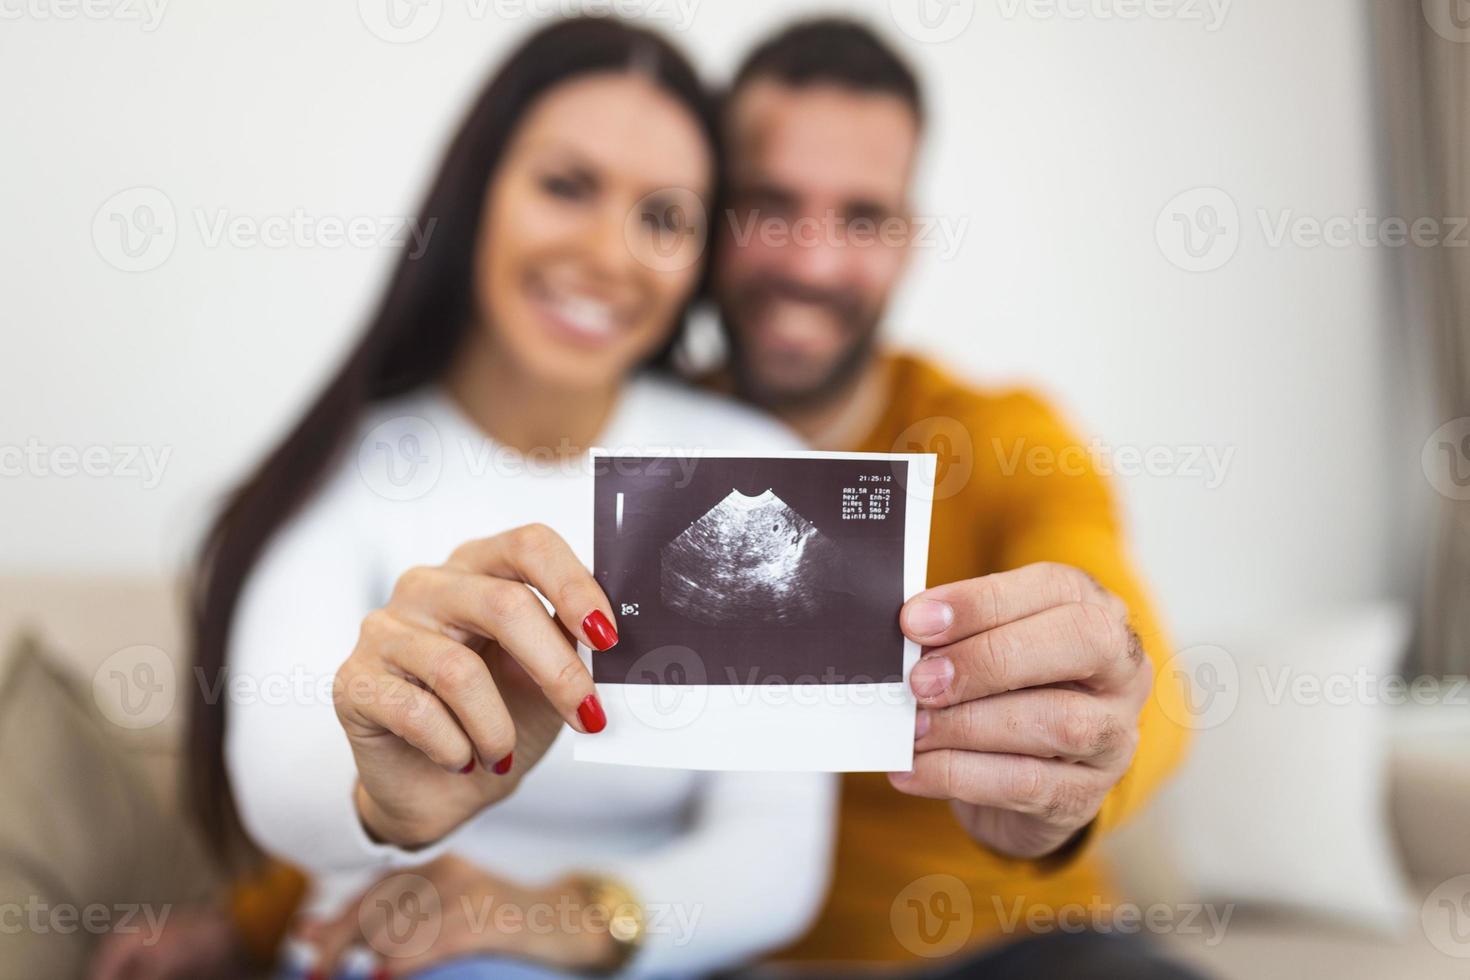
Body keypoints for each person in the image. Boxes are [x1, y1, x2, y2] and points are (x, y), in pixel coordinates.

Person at [178, 17, 834, 980]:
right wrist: (390, 800)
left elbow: (778, 857)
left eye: (662, 218)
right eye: (565, 185)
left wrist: (552, 916)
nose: (609, 255)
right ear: (477, 192)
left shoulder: (756, 473)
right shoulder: (345, 470)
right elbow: (277, 780)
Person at [710, 19, 1199, 976]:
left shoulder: (999, 437)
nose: (812, 263)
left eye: (861, 218)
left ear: (908, 238)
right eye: (771, 205)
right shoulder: (634, 443)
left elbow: (1139, 666)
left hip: (1016, 946)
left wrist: (1086, 747)